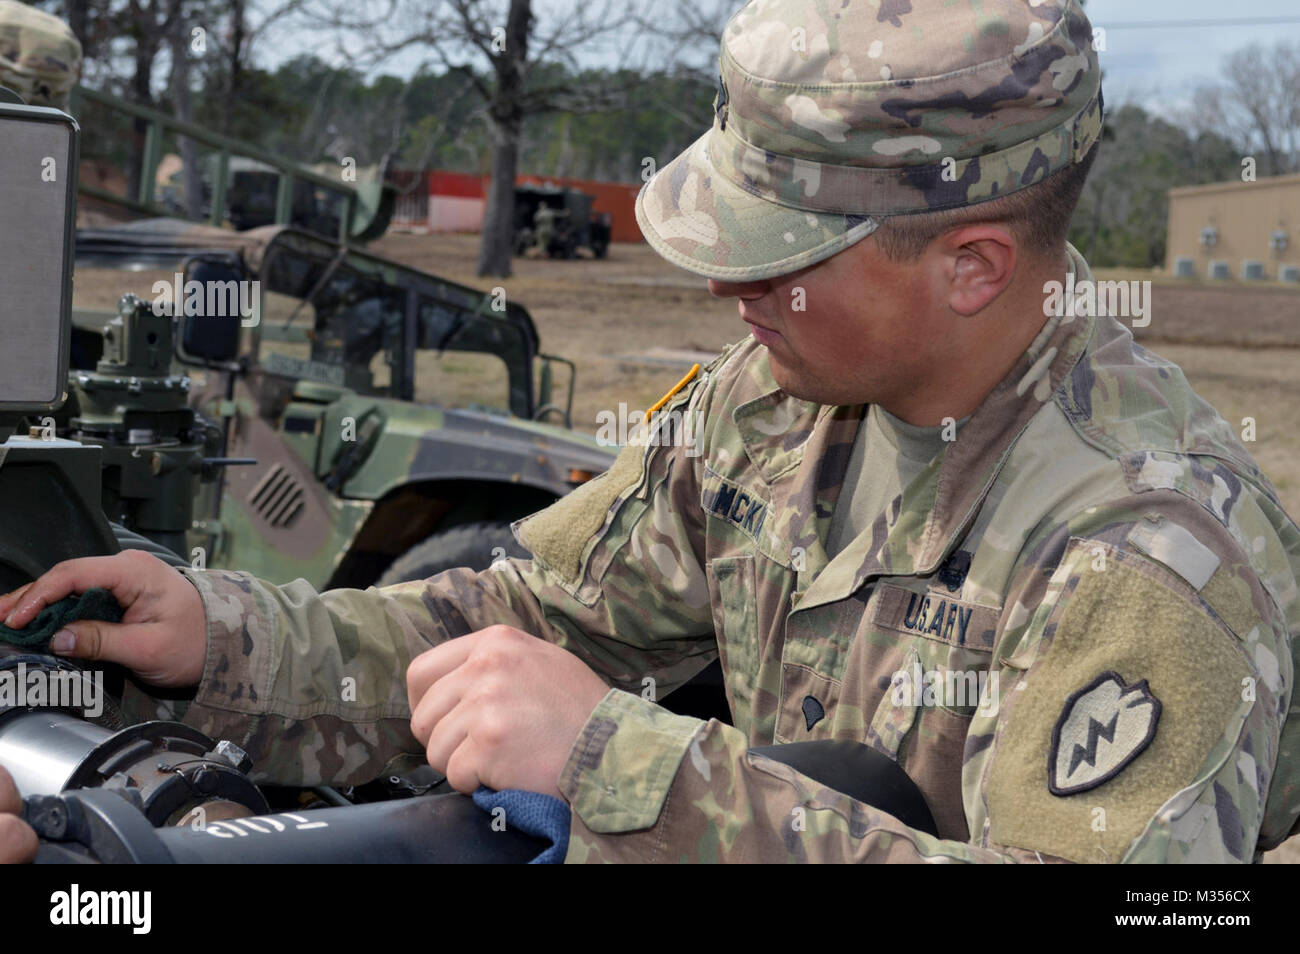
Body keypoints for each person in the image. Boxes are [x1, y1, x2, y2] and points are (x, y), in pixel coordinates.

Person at [3, 0, 1298, 863]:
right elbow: (530, 617)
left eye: (782, 256)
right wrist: (223, 636)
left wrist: (622, 767)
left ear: (969, 266)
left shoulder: (1153, 557)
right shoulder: (769, 401)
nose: (729, 290)